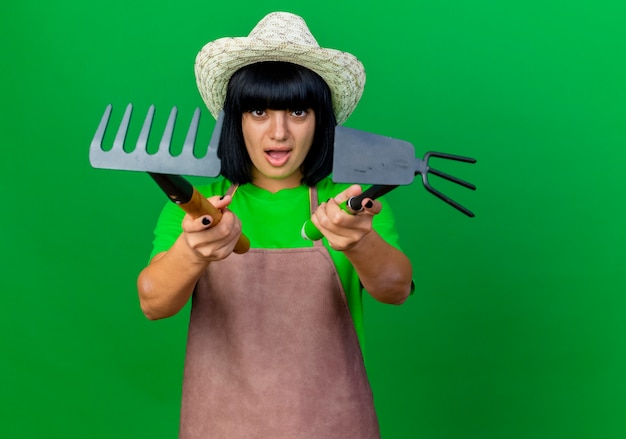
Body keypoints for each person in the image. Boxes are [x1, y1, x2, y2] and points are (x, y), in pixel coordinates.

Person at [137, 11, 413, 439]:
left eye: (298, 111)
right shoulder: (196, 206)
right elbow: (153, 304)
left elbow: (395, 290)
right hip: (220, 425)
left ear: (321, 120)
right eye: (259, 111)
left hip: (333, 424)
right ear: (237, 120)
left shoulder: (352, 203)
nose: (279, 132)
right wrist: (193, 251)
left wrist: (359, 243)